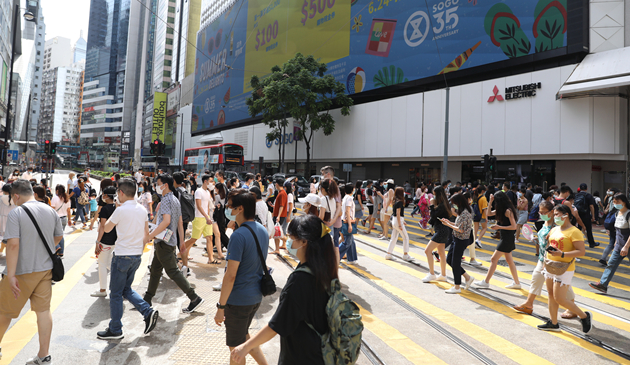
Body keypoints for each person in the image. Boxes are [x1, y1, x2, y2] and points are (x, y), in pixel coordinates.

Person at [231, 214, 337, 364]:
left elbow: (277, 324)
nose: (288, 242)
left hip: (301, 356)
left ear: (304, 241)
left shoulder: (300, 279)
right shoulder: (325, 269)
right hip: (322, 352)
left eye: (291, 238)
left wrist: (245, 347)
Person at [0, 180, 63, 364]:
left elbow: (12, 245)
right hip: (45, 270)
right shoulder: (50, 210)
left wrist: (10, 275)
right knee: (43, 312)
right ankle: (44, 356)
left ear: (16, 196)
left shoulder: (17, 213)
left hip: (21, 271)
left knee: (4, 311)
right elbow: (58, 237)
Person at [96, 179, 158, 340]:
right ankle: (147, 311)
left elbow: (107, 227)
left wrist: (117, 209)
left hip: (122, 255)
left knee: (116, 293)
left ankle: (116, 329)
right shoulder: (142, 210)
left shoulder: (121, 210)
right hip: (136, 255)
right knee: (125, 290)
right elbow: (146, 234)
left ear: (121, 193)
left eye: (118, 193)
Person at [213, 189, 269, 365]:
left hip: (238, 300)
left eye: (231, 206)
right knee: (245, 339)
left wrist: (221, 307)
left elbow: (230, 276)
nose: (228, 209)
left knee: (236, 351)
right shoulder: (262, 230)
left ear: (240, 209)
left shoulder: (238, 236)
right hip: (255, 297)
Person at [144, 174, 204, 313]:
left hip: (163, 242)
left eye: (158, 183)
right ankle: (147, 300)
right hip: (169, 241)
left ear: (165, 185)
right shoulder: (176, 200)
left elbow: (165, 222)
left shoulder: (165, 200)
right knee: (155, 271)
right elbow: (180, 224)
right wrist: (181, 241)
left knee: (172, 271)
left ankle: (194, 298)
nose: (156, 186)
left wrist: (150, 236)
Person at [513, 200, 576, 314]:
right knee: (536, 280)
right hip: (542, 259)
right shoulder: (543, 222)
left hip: (553, 261)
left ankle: (572, 308)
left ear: (551, 212)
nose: (541, 214)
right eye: (539, 212)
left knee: (563, 285)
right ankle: (528, 304)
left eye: (543, 212)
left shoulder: (557, 226)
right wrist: (537, 240)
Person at [538, 204, 591, 333]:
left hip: (565, 268)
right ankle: (553, 323)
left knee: (560, 298)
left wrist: (562, 254)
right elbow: (550, 245)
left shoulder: (574, 232)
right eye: (554, 214)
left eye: (556, 214)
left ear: (566, 215)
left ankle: (584, 316)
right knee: (550, 295)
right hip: (550, 266)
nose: (554, 217)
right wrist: (544, 262)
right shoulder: (554, 229)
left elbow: (581, 251)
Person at [474, 192, 521, 289]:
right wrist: (490, 201)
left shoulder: (508, 211)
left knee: (493, 259)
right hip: (505, 238)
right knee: (509, 261)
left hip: (507, 238)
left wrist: (499, 227)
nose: (496, 204)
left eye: (496, 201)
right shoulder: (501, 209)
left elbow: (514, 227)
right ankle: (517, 283)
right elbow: (489, 213)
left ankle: (486, 281)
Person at [590, 193, 630, 294]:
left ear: (624, 202)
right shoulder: (617, 213)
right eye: (614, 202)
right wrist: (617, 242)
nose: (615, 204)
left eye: (617, 202)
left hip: (627, 246)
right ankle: (603, 285)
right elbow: (617, 231)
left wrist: (626, 247)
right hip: (619, 246)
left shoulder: (629, 214)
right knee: (611, 264)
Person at [440, 193, 475, 293]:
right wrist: (448, 222)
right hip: (456, 239)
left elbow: (461, 230)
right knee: (450, 260)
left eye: (454, 203)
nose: (453, 206)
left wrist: (448, 225)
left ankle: (457, 287)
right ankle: (467, 277)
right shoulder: (461, 212)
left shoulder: (465, 213)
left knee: (455, 263)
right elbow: (457, 225)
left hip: (461, 240)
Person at [184, 175, 216, 267]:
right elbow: (198, 206)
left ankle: (211, 259)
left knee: (210, 237)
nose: (212, 183)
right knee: (194, 238)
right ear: (205, 181)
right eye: (211, 181)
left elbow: (208, 205)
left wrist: (209, 216)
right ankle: (180, 252)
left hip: (207, 218)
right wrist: (206, 217)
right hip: (199, 218)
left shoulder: (207, 192)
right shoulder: (199, 191)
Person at [91, 187, 118, 297]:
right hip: (116, 241)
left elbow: (103, 226)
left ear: (106, 195)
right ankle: (116, 287)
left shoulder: (105, 209)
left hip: (105, 241)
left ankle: (103, 290)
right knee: (110, 265)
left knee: (102, 265)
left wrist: (98, 241)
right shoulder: (118, 207)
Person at [422, 186, 451, 282]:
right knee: (441, 253)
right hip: (443, 230)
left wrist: (431, 205)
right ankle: (443, 275)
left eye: (434, 194)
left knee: (427, 251)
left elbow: (433, 215)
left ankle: (432, 274)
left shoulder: (442, 205)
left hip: (441, 231)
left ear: (438, 195)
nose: (433, 196)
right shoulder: (444, 204)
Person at [385, 187, 413, 261]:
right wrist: (400, 224)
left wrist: (402, 221)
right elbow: (398, 213)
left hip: (395, 220)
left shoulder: (395, 200)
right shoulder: (400, 202)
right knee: (406, 237)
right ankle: (405, 255)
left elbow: (396, 214)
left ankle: (388, 254)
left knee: (393, 238)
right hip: (397, 221)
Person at [50, 185, 71, 258]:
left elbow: (52, 209)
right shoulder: (67, 198)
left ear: (57, 191)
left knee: (53, 234)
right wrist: (69, 219)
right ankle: (61, 252)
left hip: (56, 218)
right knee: (61, 235)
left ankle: (57, 246)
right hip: (64, 218)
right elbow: (68, 210)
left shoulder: (55, 198)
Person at [339, 183, 358, 264]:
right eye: (354, 189)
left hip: (344, 221)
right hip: (347, 222)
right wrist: (350, 225)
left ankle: (352, 259)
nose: (354, 190)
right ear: (352, 189)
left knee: (351, 242)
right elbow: (347, 210)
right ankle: (334, 257)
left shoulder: (345, 197)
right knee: (347, 243)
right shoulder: (349, 198)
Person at [575, 183, 597, 248]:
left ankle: (574, 243)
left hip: (578, 214)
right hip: (586, 215)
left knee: (578, 229)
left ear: (579, 188)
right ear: (587, 188)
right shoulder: (589, 196)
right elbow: (591, 206)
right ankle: (591, 243)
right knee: (588, 229)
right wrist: (593, 216)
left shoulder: (576, 195)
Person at [272, 178, 288, 254]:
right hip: (279, 215)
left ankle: (286, 241)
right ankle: (277, 249)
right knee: (276, 233)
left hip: (279, 216)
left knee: (276, 232)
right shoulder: (281, 192)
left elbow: (282, 206)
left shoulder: (282, 193)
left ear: (277, 184)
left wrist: (278, 216)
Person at [0, 184, 16, 255]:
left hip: (2, 219)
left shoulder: (1, 198)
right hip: (12, 220)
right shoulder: (15, 198)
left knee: (2, 237)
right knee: (10, 238)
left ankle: (1, 251)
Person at [472, 185, 488, 254]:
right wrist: (486, 217)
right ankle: (478, 240)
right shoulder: (483, 198)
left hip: (475, 215)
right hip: (482, 215)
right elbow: (484, 209)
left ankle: (473, 242)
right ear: (483, 191)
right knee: (484, 228)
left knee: (475, 229)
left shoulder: (475, 197)